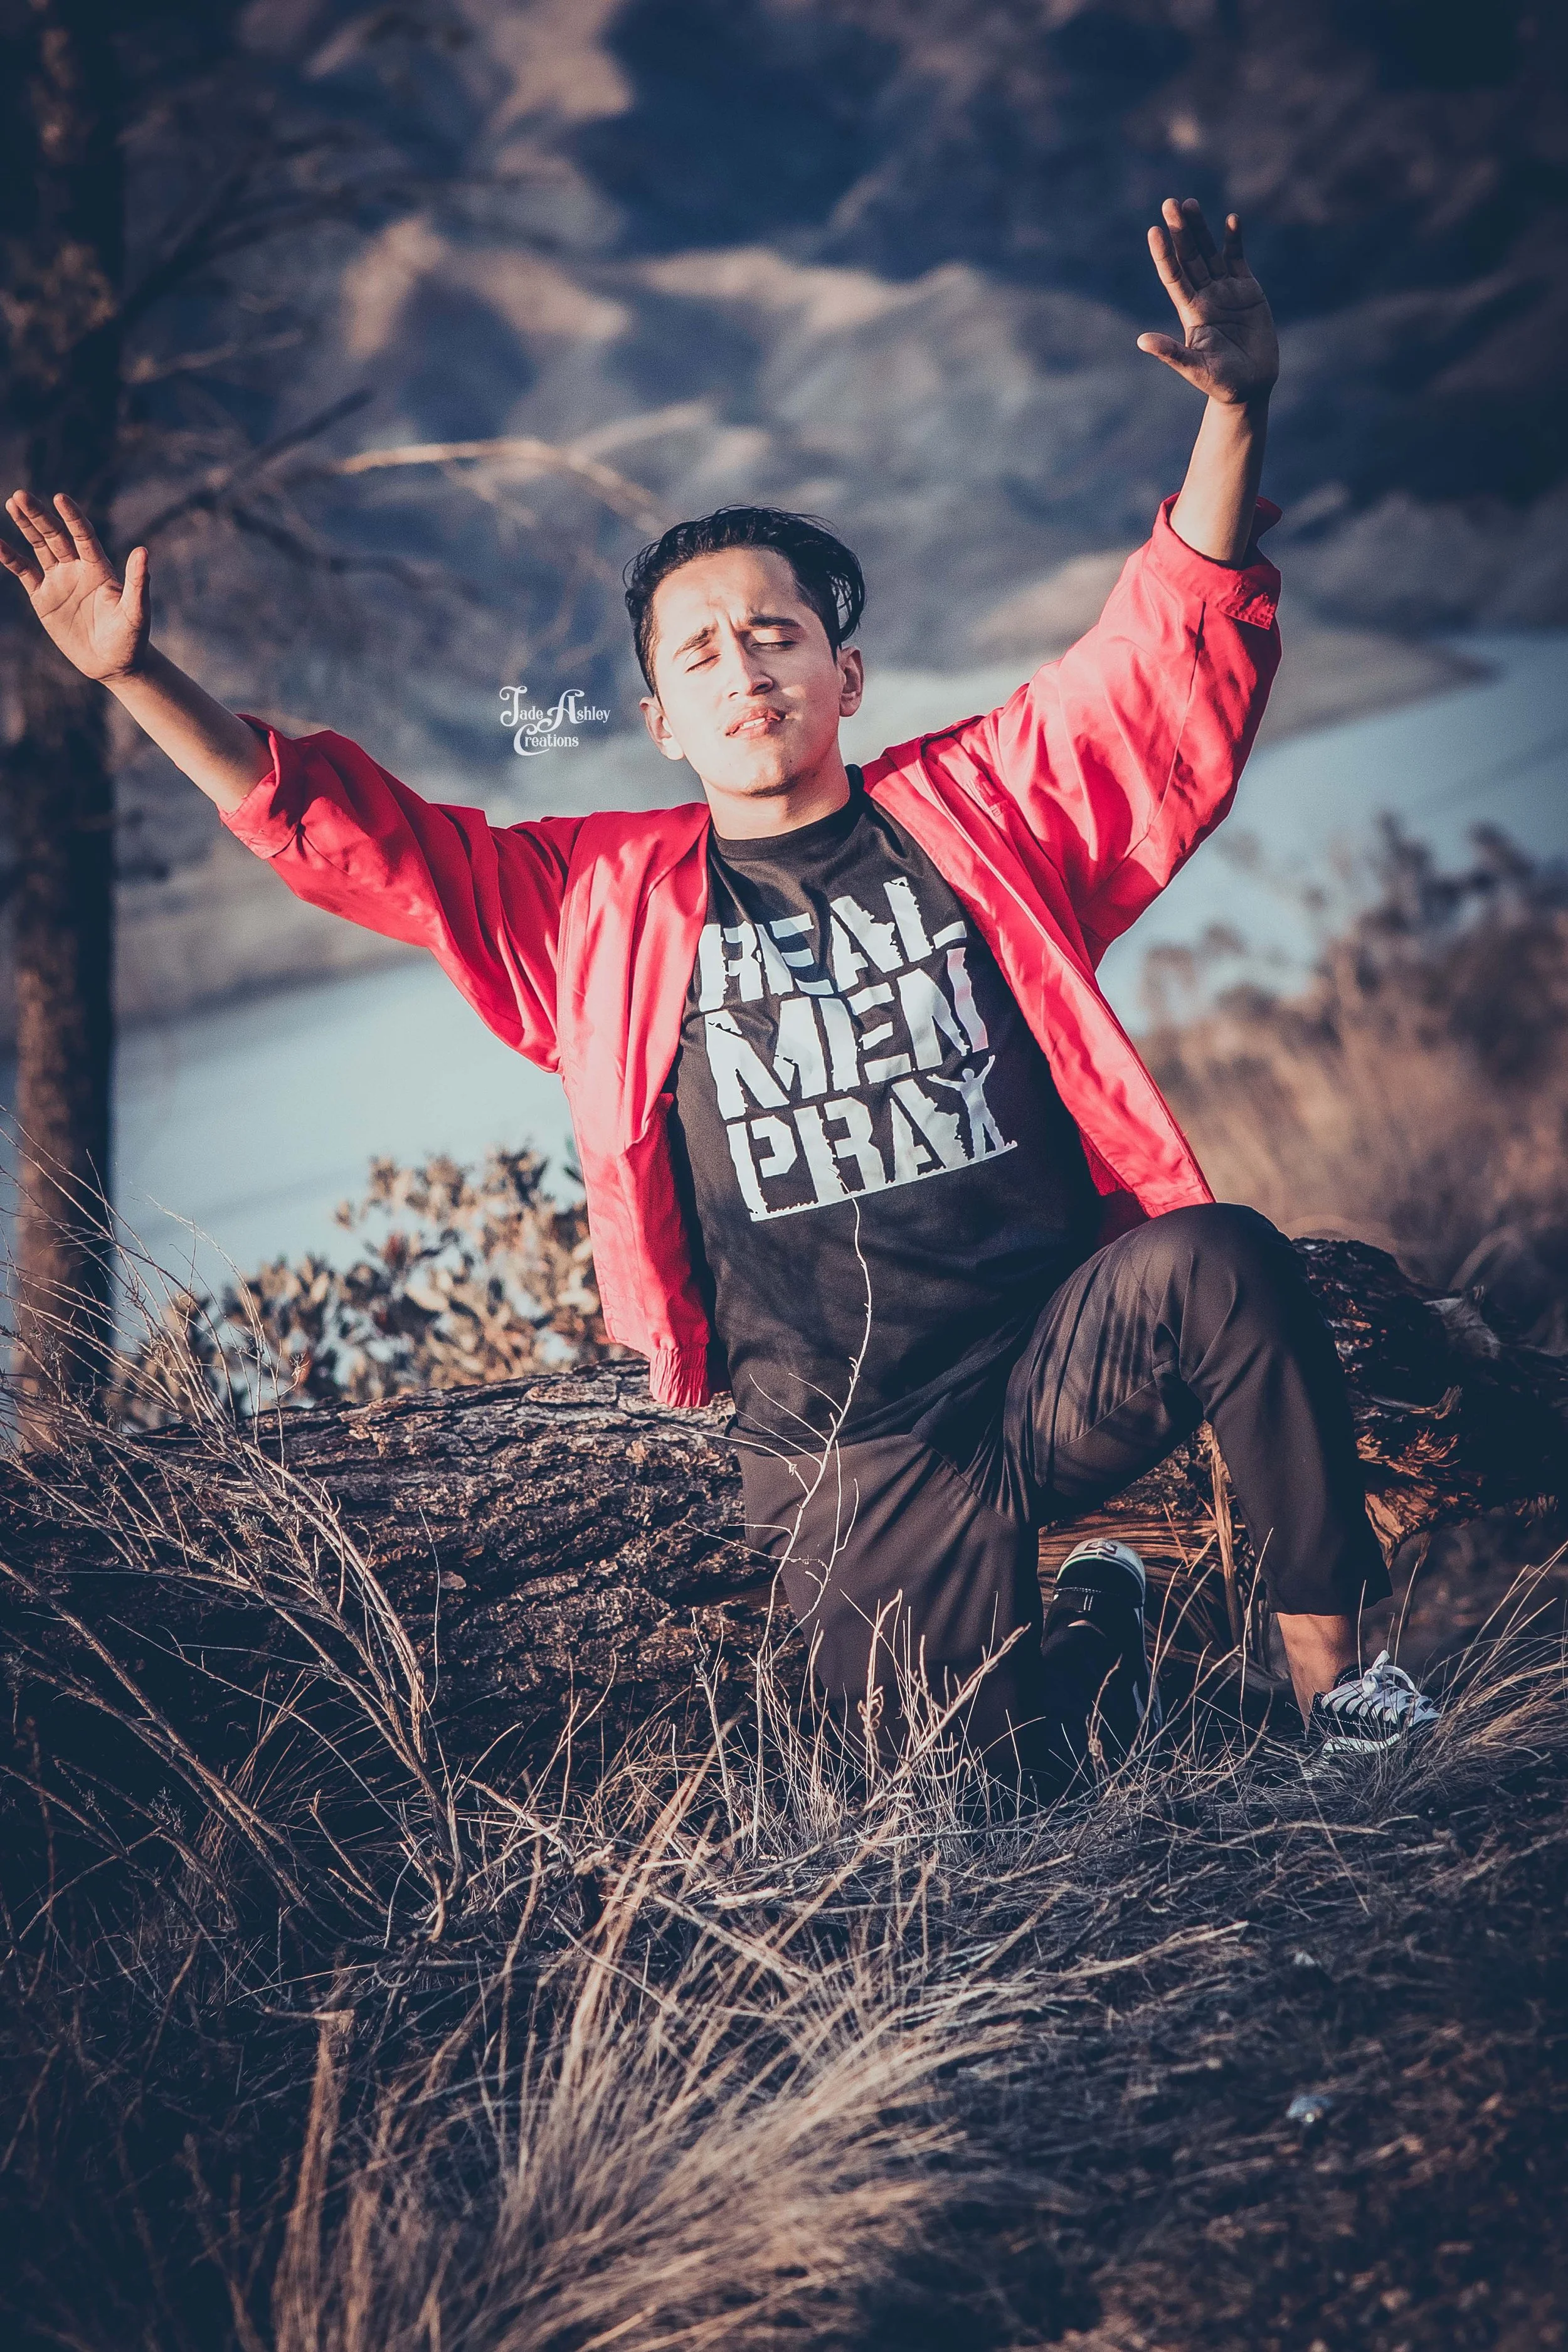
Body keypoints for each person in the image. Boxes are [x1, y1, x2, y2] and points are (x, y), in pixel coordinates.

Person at [1, 198, 1439, 1781]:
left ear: (845, 679)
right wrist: (139, 675)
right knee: (978, 1816)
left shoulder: (980, 811)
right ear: (660, 721)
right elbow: (359, 837)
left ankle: (1348, 1699)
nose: (743, 665)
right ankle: (1102, 1630)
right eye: (700, 653)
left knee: (1225, 1261)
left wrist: (1234, 414)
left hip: (1052, 1360)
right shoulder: (599, 902)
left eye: (777, 634)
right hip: (848, 1446)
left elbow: (1157, 657)